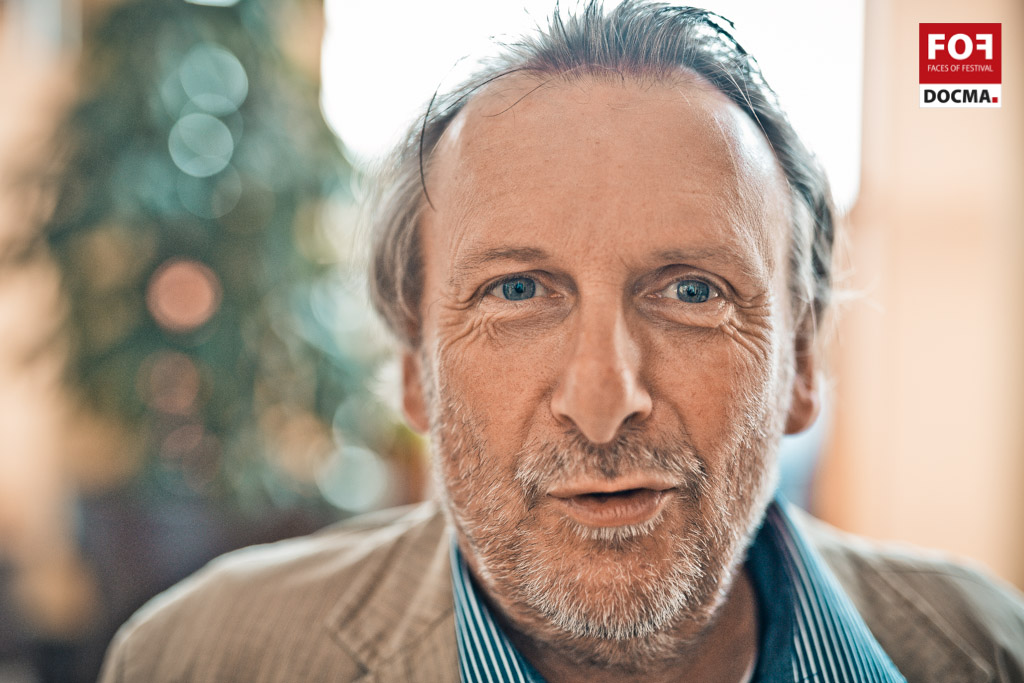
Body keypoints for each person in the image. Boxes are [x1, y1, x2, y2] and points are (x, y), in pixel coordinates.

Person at [98, 2, 1024, 682]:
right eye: (517, 291)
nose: (603, 399)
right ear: (415, 370)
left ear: (805, 364)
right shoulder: (193, 659)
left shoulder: (991, 647)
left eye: (692, 291)